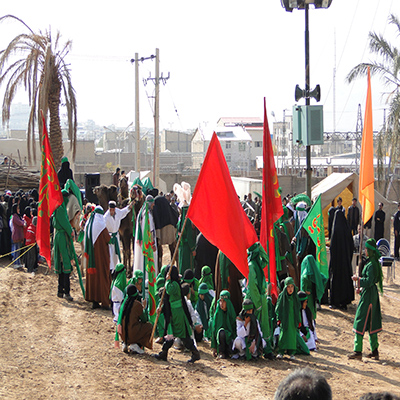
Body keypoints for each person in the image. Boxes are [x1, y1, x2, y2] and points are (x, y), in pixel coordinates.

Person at [154, 265, 200, 363]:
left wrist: (167, 281)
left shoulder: (174, 284)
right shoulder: (170, 283)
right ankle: (164, 352)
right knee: (170, 335)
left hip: (177, 314)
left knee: (183, 335)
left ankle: (195, 353)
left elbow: (169, 290)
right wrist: (161, 309)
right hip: (172, 314)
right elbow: (166, 300)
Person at [349, 238, 383, 360]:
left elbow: (369, 281)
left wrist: (358, 280)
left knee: (360, 320)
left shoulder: (372, 265)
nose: (365, 251)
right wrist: (361, 289)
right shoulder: (372, 263)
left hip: (369, 296)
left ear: (370, 250)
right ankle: (374, 350)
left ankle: (358, 351)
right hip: (369, 294)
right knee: (371, 322)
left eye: (366, 249)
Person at [84, 205, 111, 309]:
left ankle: (94, 301)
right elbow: (107, 239)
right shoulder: (100, 225)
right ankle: (104, 302)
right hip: (101, 257)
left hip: (91, 258)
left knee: (93, 278)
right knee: (102, 276)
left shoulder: (88, 224)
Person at [53, 190, 78, 301]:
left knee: (62, 263)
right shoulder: (60, 209)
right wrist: (71, 232)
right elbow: (65, 223)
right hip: (62, 238)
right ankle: (66, 291)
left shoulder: (58, 207)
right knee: (65, 263)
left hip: (60, 236)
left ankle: (60, 290)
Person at [329, 209, 354, 310]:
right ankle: (344, 302)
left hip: (336, 263)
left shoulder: (335, 231)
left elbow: (332, 247)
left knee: (336, 280)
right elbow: (351, 244)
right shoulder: (346, 229)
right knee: (345, 280)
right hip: (345, 262)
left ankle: (335, 302)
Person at [116, 284, 153, 354]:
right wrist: (144, 308)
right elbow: (145, 320)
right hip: (132, 335)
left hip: (123, 335)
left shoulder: (122, 304)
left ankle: (125, 343)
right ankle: (136, 345)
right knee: (149, 326)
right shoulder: (137, 305)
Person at [246, 242, 271, 345]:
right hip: (255, 301)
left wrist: (260, 247)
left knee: (264, 325)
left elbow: (267, 260)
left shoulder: (258, 264)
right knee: (256, 326)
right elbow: (252, 287)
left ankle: (266, 347)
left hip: (261, 298)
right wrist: (258, 304)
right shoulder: (251, 266)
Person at [275, 277, 301, 359]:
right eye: (288, 287)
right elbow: (278, 308)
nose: (290, 289)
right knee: (283, 335)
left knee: (292, 337)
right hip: (284, 319)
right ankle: (281, 352)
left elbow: (297, 310)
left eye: (292, 287)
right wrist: (278, 318)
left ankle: (292, 353)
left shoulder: (295, 297)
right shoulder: (282, 297)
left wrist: (299, 320)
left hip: (292, 320)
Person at [104, 200, 132, 272]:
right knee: (110, 253)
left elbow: (124, 211)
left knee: (116, 254)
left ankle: (116, 269)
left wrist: (129, 207)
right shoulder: (106, 217)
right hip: (109, 237)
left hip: (116, 236)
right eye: (110, 210)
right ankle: (110, 270)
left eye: (113, 210)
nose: (112, 211)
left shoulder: (118, 212)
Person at [210, 290, 237, 359]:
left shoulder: (231, 312)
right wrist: (214, 347)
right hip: (220, 340)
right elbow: (214, 329)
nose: (222, 303)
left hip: (230, 340)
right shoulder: (218, 313)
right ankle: (221, 352)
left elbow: (234, 329)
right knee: (221, 332)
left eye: (224, 301)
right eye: (220, 301)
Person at [11, 203, 25, 270]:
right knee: (17, 250)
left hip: (19, 235)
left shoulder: (17, 216)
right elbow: (20, 223)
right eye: (17, 208)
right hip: (16, 235)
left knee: (18, 250)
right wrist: (23, 222)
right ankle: (16, 263)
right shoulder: (14, 216)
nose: (18, 209)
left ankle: (18, 263)